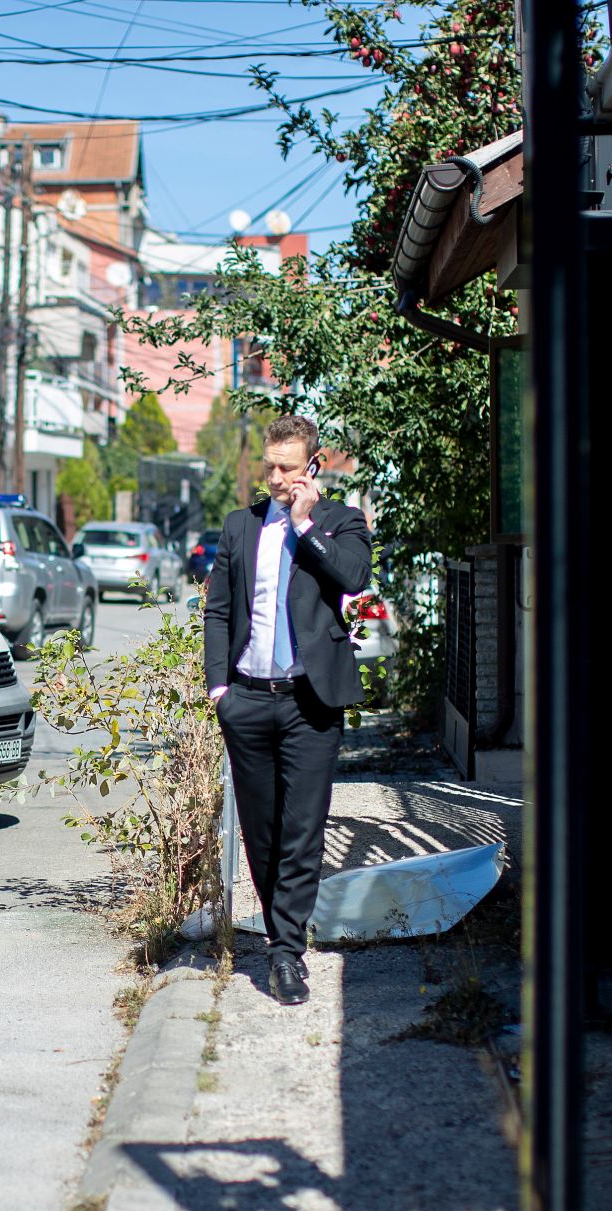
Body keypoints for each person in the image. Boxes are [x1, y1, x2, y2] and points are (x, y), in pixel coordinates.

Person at [204, 414, 372, 1005]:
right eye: (269, 467)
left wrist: (304, 526)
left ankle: (284, 953)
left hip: (310, 703)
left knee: (302, 831)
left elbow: (353, 576)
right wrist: (219, 690)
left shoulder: (340, 522)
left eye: (287, 468)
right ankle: (282, 937)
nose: (275, 478)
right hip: (247, 699)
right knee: (262, 832)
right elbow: (219, 611)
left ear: (312, 467)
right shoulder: (239, 527)